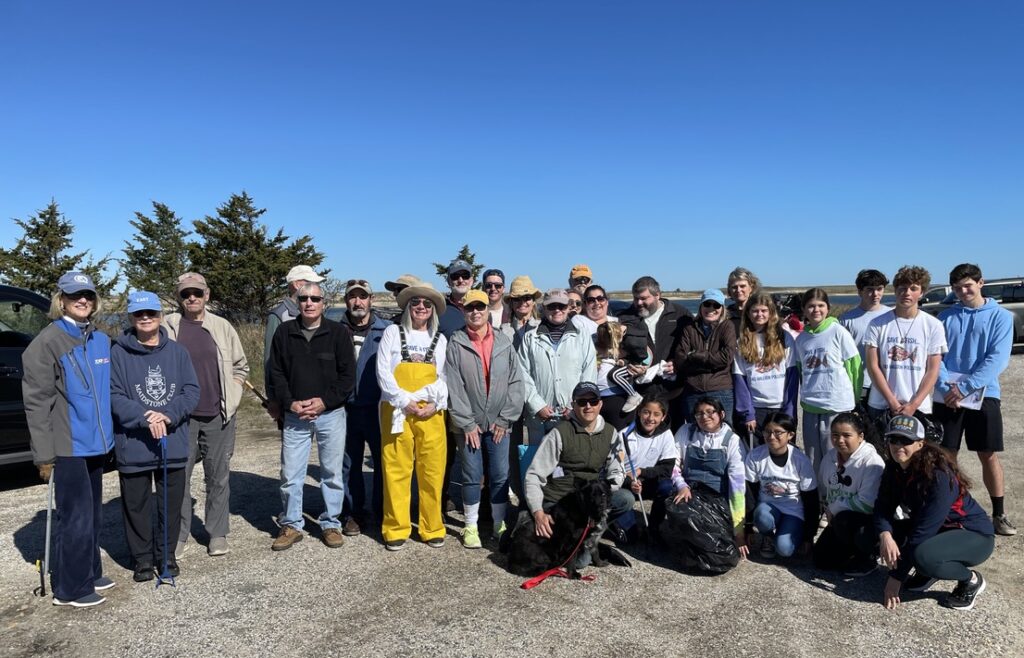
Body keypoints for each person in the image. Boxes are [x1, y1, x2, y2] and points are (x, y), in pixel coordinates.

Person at [22, 272, 115, 607]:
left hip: (97, 443)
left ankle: (89, 572)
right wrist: (44, 455)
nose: (83, 301)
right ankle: (70, 589)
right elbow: (37, 403)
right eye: (75, 295)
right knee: (74, 516)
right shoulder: (46, 343)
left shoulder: (100, 339)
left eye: (88, 295)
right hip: (69, 444)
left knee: (92, 514)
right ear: (60, 299)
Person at [110, 291, 200, 582]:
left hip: (170, 442)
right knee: (136, 505)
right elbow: (113, 395)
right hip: (134, 445)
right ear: (132, 318)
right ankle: (143, 560)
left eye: (150, 313)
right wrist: (145, 416)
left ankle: (166, 555)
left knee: (170, 504)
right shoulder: (117, 353)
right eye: (139, 314)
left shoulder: (178, 352)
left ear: (160, 316)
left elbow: (191, 392)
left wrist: (168, 414)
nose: (145, 318)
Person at [164, 272, 249, 559]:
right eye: (186, 293)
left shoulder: (222, 327)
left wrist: (234, 395)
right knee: (179, 477)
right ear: (179, 296)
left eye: (197, 293)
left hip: (217, 413)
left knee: (218, 476)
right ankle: (179, 534)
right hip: (181, 417)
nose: (192, 298)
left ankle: (217, 533)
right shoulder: (168, 326)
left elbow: (240, 366)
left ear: (207, 295)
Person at [268, 282, 356, 551]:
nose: (309, 303)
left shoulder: (339, 333)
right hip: (296, 416)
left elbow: (347, 376)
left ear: (323, 303)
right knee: (291, 473)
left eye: (315, 298)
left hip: (330, 414)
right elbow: (276, 374)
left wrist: (324, 402)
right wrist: (290, 404)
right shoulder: (285, 332)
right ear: (296, 301)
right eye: (303, 298)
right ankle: (292, 524)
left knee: (331, 472)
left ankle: (331, 523)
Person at [875, 415, 995, 611]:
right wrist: (885, 535)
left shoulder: (938, 475)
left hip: (973, 535)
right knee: (879, 533)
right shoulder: (895, 468)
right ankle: (928, 572)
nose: (898, 446)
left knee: (924, 557)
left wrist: (896, 577)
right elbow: (882, 506)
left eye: (906, 440)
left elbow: (923, 530)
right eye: (893, 439)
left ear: (920, 444)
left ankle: (971, 580)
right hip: (940, 531)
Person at [933, 263, 1016, 536]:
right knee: (946, 455)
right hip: (947, 396)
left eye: (967, 285)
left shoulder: (1001, 317)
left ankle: (999, 513)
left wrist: (966, 386)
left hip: (984, 394)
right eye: (957, 288)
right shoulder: (945, 316)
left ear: (981, 283)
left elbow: (997, 358)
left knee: (987, 454)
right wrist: (947, 387)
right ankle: (951, 509)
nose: (963, 291)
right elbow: (937, 357)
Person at [445, 289, 525, 548]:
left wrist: (506, 418)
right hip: (468, 424)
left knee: (500, 474)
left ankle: (499, 524)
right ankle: (470, 526)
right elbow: (453, 386)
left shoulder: (503, 342)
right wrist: (466, 423)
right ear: (464, 311)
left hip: (500, 424)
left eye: (480, 307)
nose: (476, 312)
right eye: (470, 308)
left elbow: (516, 382)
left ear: (488, 310)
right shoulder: (456, 342)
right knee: (471, 474)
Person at [523, 382, 633, 567]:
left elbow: (617, 470)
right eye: (582, 402)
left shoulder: (611, 432)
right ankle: (527, 520)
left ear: (600, 404)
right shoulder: (559, 433)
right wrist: (538, 512)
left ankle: (593, 534)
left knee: (625, 499)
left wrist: (606, 491)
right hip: (561, 500)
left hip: (591, 498)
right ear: (574, 405)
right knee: (580, 563)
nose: (588, 406)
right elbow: (534, 475)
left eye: (593, 401)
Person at [376, 281, 449, 550]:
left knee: (432, 470)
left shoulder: (440, 340)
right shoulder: (392, 333)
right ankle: (395, 528)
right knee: (396, 470)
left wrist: (435, 403)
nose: (421, 307)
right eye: (415, 303)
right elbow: (383, 373)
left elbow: (444, 378)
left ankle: (432, 527)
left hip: (430, 413)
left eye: (427, 304)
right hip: (396, 411)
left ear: (433, 310)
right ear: (408, 306)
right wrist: (404, 401)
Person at [336, 278, 391, 536]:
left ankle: (382, 512)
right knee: (349, 464)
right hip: (346, 409)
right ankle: (353, 513)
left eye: (363, 296)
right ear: (346, 300)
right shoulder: (335, 331)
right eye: (352, 297)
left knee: (383, 463)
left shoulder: (387, 330)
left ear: (371, 300)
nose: (358, 301)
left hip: (377, 410)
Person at [669, 396, 748, 562]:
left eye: (710, 412)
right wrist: (681, 485)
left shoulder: (732, 441)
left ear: (722, 414)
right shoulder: (685, 432)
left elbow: (737, 487)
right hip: (689, 492)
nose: (704, 417)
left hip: (719, 497)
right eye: (699, 414)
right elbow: (673, 465)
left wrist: (739, 532)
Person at [864, 266, 946, 424]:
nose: (907, 293)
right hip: (880, 404)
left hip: (918, 407)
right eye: (902, 288)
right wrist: (892, 402)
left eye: (913, 288)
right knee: (880, 448)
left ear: (921, 292)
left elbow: (933, 370)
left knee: (912, 449)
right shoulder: (877, 324)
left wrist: (914, 404)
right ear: (895, 291)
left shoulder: (933, 325)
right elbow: (873, 366)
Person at [794, 288, 861, 475]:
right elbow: (801, 371)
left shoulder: (838, 331)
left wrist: (854, 399)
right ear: (804, 309)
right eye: (811, 306)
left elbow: (854, 367)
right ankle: (818, 498)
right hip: (811, 406)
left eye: (821, 305)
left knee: (835, 456)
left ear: (828, 308)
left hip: (836, 404)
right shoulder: (801, 339)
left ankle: (837, 497)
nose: (816, 310)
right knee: (813, 458)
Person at [517, 289, 597, 444]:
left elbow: (589, 373)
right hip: (540, 417)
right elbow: (522, 374)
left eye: (561, 306)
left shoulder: (582, 336)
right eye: (551, 306)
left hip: (572, 414)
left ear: (568, 307)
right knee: (539, 465)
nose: (557, 310)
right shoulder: (530, 338)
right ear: (543, 309)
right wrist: (537, 405)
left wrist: (575, 405)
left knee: (571, 463)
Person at [814, 412, 885, 575]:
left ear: (860, 436)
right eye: (835, 435)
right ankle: (850, 550)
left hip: (867, 520)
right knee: (821, 561)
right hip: (840, 519)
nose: (839, 440)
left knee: (844, 520)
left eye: (846, 435)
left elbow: (867, 504)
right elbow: (824, 489)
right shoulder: (830, 457)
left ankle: (869, 556)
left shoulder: (872, 462)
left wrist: (834, 508)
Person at [744, 413, 819, 559]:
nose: (771, 437)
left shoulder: (800, 460)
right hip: (768, 507)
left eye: (778, 432)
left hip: (793, 510)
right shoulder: (755, 456)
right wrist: (748, 527)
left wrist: (808, 537)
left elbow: (811, 500)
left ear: (790, 435)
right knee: (761, 516)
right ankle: (768, 536)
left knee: (785, 550)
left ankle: (789, 533)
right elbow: (750, 492)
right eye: (767, 432)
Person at [616, 276, 687, 425]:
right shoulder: (625, 317)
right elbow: (618, 350)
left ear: (657, 295)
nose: (638, 303)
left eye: (643, 298)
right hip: (642, 393)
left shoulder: (680, 314)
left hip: (675, 392)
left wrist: (679, 362)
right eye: (635, 299)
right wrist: (628, 363)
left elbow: (692, 345)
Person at [732, 292, 798, 445]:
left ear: (771, 312)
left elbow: (792, 378)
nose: (759, 314)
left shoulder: (784, 338)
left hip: (780, 406)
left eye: (764, 310)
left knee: (782, 451)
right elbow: (740, 380)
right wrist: (748, 414)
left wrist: (789, 412)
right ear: (748, 313)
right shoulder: (742, 342)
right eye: (755, 310)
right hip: (756, 408)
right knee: (757, 454)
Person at [265, 265, 325, 422]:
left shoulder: (314, 312)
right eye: (311, 282)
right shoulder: (278, 315)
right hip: (290, 402)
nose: (315, 287)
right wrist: (274, 399)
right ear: (297, 284)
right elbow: (270, 361)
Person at [675, 289, 737, 424]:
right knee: (694, 430)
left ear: (722, 309)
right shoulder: (689, 329)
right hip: (693, 390)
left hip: (720, 390)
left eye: (716, 305)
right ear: (701, 306)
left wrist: (696, 356)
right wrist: (712, 364)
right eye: (707, 304)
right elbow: (680, 360)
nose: (711, 309)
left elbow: (726, 358)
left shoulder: (727, 327)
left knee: (724, 430)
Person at [621, 396, 677, 532]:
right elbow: (614, 470)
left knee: (667, 487)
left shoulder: (666, 434)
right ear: (639, 412)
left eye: (657, 414)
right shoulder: (624, 435)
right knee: (631, 537)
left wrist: (642, 471)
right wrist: (629, 481)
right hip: (626, 485)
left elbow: (667, 469)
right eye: (646, 412)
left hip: (648, 482)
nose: (650, 418)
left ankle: (654, 528)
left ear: (663, 417)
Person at [839, 269, 892, 403]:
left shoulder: (892, 316)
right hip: (859, 384)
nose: (875, 294)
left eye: (879, 289)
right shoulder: (846, 319)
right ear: (860, 291)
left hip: (887, 384)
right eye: (870, 289)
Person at [595, 321, 650, 427]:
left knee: (620, 432)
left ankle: (633, 395)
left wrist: (625, 362)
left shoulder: (624, 345)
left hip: (617, 396)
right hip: (598, 395)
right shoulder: (598, 344)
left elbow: (644, 358)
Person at [501, 275, 542, 347]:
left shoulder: (542, 327)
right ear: (511, 303)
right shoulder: (503, 331)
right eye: (517, 299)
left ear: (534, 301)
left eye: (527, 298)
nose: (522, 302)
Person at [438, 259, 474, 339]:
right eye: (455, 276)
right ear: (448, 281)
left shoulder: (482, 308)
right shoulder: (439, 309)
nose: (460, 280)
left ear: (472, 280)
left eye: (465, 276)